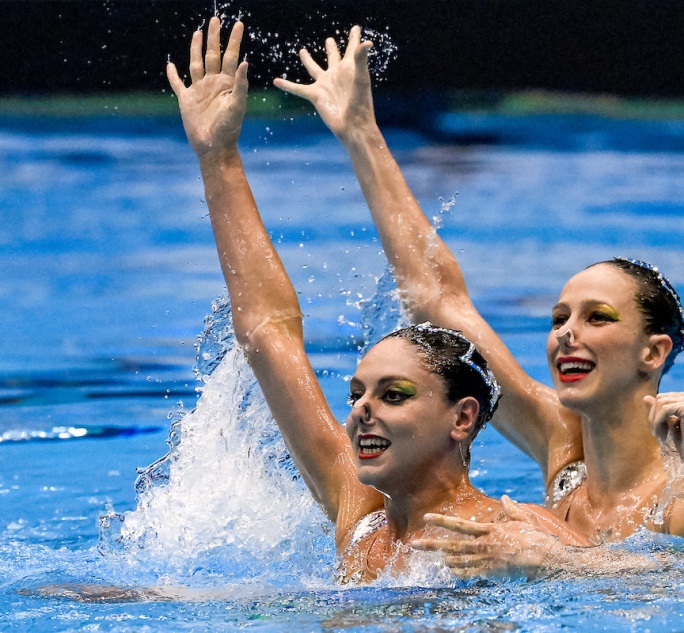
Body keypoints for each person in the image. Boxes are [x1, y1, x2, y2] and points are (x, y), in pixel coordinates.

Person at [273, 27, 684, 544]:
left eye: (596, 318)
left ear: (653, 351)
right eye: (560, 318)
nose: (566, 336)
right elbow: (438, 301)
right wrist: (362, 134)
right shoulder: (563, 446)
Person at [165, 16, 590, 584]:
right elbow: (268, 334)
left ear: (462, 418)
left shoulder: (511, 531)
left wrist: (559, 564)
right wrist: (218, 159)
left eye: (394, 395)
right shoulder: (362, 522)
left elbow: (664, 579)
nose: (362, 410)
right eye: (358, 394)